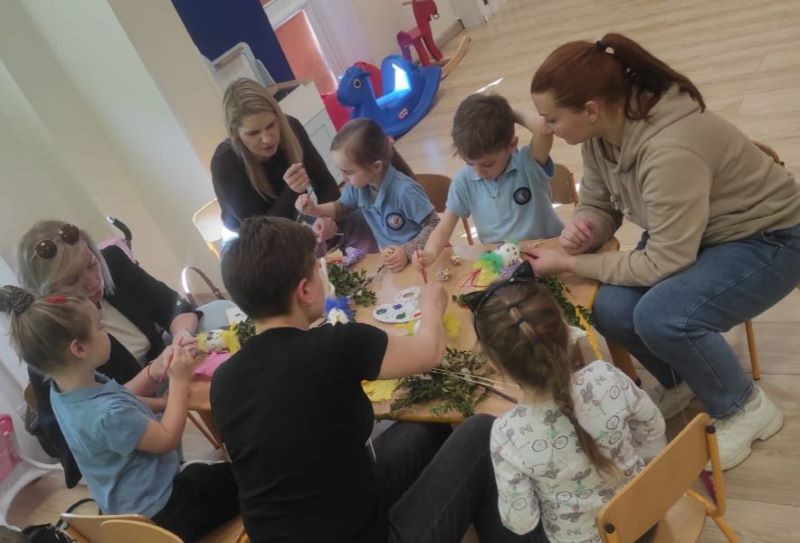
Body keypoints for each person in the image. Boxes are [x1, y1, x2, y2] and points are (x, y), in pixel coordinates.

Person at [526, 33, 800, 470]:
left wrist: (572, 261)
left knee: (663, 316)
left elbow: (665, 260)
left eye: (551, 118)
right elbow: (599, 202)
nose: (546, 128)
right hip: (698, 234)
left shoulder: (670, 148)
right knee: (608, 305)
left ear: (590, 109)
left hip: (770, 238)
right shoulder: (600, 134)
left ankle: (746, 408)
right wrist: (587, 226)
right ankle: (683, 378)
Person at [210, 216, 532, 543]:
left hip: (319, 516)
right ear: (304, 290)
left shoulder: (222, 381)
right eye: (317, 270)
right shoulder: (337, 344)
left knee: (424, 430)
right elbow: (430, 353)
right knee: (481, 431)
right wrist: (431, 306)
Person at [0, 287, 239, 541]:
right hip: (164, 510)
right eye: (100, 327)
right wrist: (179, 381)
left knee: (220, 473)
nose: (106, 332)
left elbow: (123, 399)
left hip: (130, 506)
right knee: (251, 474)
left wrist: (160, 390)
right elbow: (167, 438)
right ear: (79, 348)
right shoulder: (106, 415)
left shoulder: (66, 391)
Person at [465, 260, 665, 542]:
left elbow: (521, 522)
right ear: (567, 331)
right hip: (644, 520)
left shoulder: (507, 434)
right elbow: (654, 430)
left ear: (495, 364)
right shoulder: (606, 375)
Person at [17, 221, 202, 487]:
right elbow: (114, 413)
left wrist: (180, 339)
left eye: (92, 265)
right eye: (72, 281)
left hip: (140, 404)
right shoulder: (55, 354)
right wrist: (164, 381)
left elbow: (175, 307)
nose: (93, 282)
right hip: (139, 467)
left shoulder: (114, 263)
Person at [211, 77, 376, 252]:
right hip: (253, 240)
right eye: (253, 133)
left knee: (362, 221)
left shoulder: (291, 127)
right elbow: (263, 235)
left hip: (294, 213)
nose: (267, 139)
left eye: (271, 125)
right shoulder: (225, 161)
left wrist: (324, 218)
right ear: (236, 134)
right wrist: (292, 191)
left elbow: (325, 183)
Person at [415, 93, 563, 269]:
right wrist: (430, 253)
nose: (479, 172)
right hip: (503, 263)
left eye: (487, 164)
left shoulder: (529, 163)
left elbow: (543, 128)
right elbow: (443, 230)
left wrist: (505, 113)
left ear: (511, 145)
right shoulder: (464, 180)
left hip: (549, 253)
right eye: (470, 163)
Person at [296, 118, 439, 272]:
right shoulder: (359, 187)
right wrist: (313, 209)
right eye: (341, 171)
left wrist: (406, 252)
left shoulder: (404, 191)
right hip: (397, 264)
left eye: (349, 172)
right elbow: (340, 208)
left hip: (426, 260)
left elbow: (435, 225)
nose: (343, 178)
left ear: (376, 166)